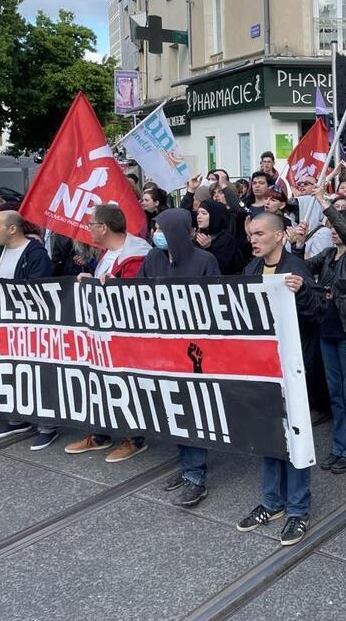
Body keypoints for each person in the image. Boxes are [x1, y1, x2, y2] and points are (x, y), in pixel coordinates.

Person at [236, 212, 323, 546]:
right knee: (269, 434)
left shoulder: (296, 268)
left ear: (278, 236)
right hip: (263, 367)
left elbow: (319, 312)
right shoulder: (251, 270)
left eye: (259, 234)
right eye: (250, 234)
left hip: (293, 369)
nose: (253, 239)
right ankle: (273, 503)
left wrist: (301, 292)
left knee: (295, 438)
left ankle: (298, 510)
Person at [140, 208, 221, 507]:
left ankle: (196, 476)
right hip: (163, 350)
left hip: (193, 351)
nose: (155, 234)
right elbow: (136, 293)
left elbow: (216, 304)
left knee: (193, 411)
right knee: (175, 410)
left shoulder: (205, 261)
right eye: (154, 228)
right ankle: (187, 467)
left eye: (160, 228)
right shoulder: (153, 258)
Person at [63, 204, 152, 460]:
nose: (88, 228)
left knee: (126, 384)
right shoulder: (109, 252)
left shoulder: (137, 254)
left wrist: (118, 287)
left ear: (103, 227)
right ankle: (101, 435)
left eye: (91, 224)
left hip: (126, 336)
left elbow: (139, 296)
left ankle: (134, 438)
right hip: (102, 332)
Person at [300, 186, 346, 474]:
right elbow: (302, 266)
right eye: (329, 225)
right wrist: (292, 244)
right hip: (327, 333)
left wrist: (324, 202)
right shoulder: (328, 256)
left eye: (337, 225)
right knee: (336, 394)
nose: (332, 229)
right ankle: (340, 446)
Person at [0, 210, 57, 449]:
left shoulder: (36, 255)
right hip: (6, 326)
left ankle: (47, 425)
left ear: (12, 229)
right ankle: (18, 419)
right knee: (10, 371)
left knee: (37, 374)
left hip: (32, 329)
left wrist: (1, 284)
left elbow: (38, 292)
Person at [194, 200, 243, 275]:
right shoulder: (200, 236)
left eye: (204, 213)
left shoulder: (226, 239)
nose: (199, 217)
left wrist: (208, 248)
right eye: (198, 213)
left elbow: (222, 269)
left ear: (215, 216)